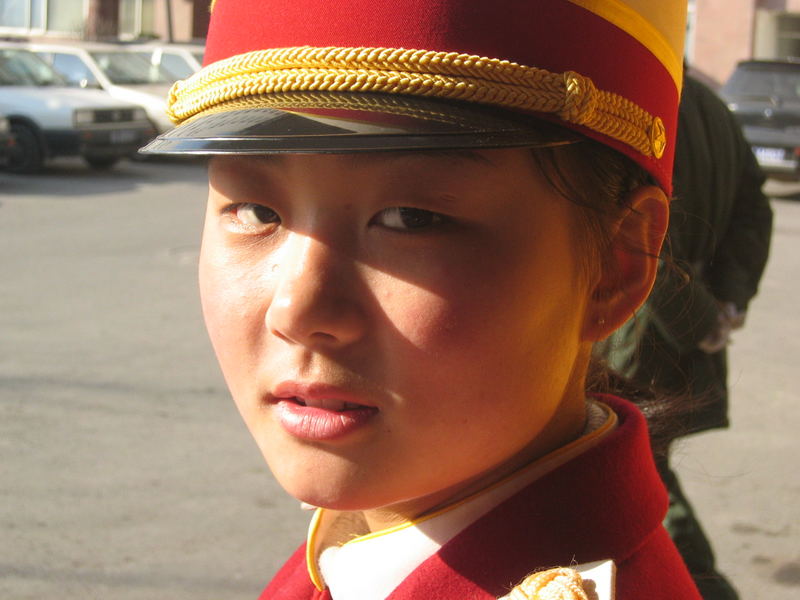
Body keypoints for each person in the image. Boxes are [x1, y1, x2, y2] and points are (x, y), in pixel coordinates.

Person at [142, 1, 702, 598]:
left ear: (616, 266)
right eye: (257, 212)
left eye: (411, 218)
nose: (297, 311)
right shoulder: (366, 547)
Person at [598, 72, 773, 599]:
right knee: (640, 473)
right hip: (667, 325)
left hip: (637, 334)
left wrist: (704, 318)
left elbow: (643, 241)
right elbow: (754, 210)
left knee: (635, 480)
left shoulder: (637, 96)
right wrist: (726, 301)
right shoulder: (710, 105)